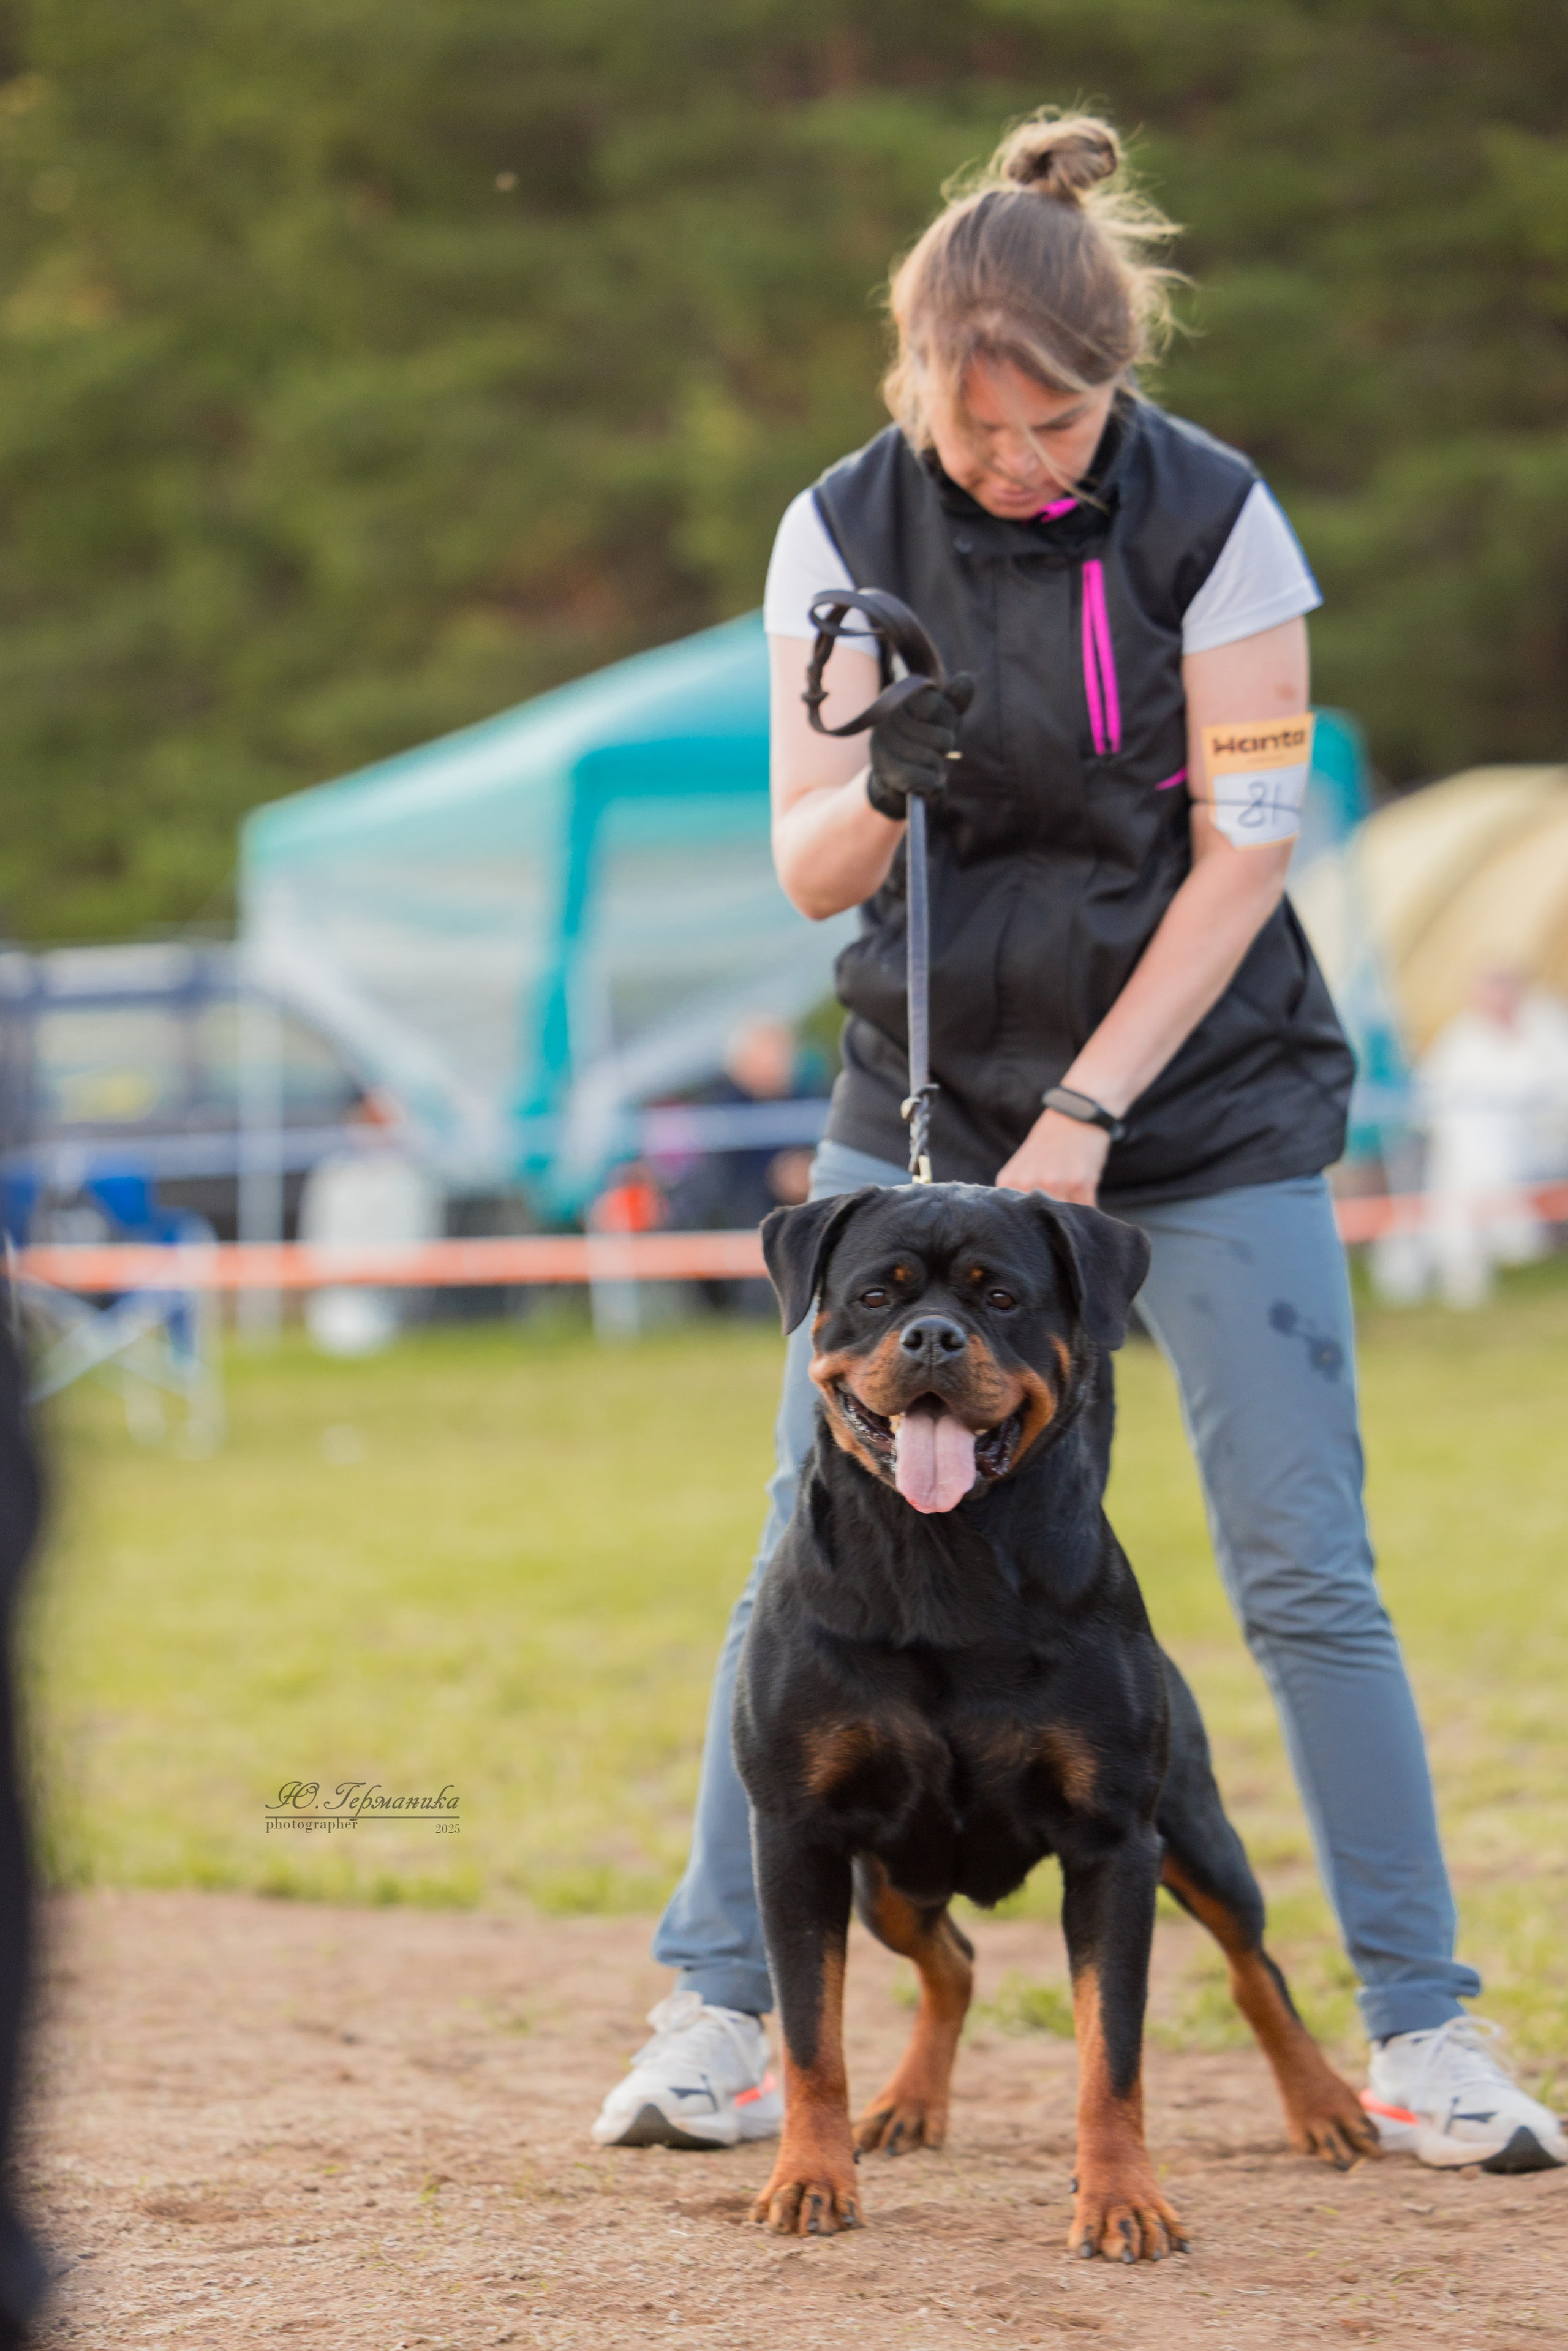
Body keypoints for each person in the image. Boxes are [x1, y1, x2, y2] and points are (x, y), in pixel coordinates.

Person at [592, 111, 1566, 2174]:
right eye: (967, 425)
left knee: (1306, 1558)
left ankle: (1428, 2024)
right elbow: (803, 859)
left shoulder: (1220, 519)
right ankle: (717, 2005)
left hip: (1198, 1105)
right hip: (924, 1106)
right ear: (912, 377)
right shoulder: (840, 524)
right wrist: (889, 784)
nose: (1002, 464)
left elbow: (1246, 856)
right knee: (802, 1545)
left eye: (1041, 430)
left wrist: (1092, 1118)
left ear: (1109, 386)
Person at [1415, 967, 1568, 1308]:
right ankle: (1510, 1229)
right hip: (1480, 1149)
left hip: (1543, 1141)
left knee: (1464, 1158)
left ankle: (1463, 1271)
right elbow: (1432, 1092)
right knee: (1471, 1144)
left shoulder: (1550, 1028)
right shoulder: (1463, 1034)